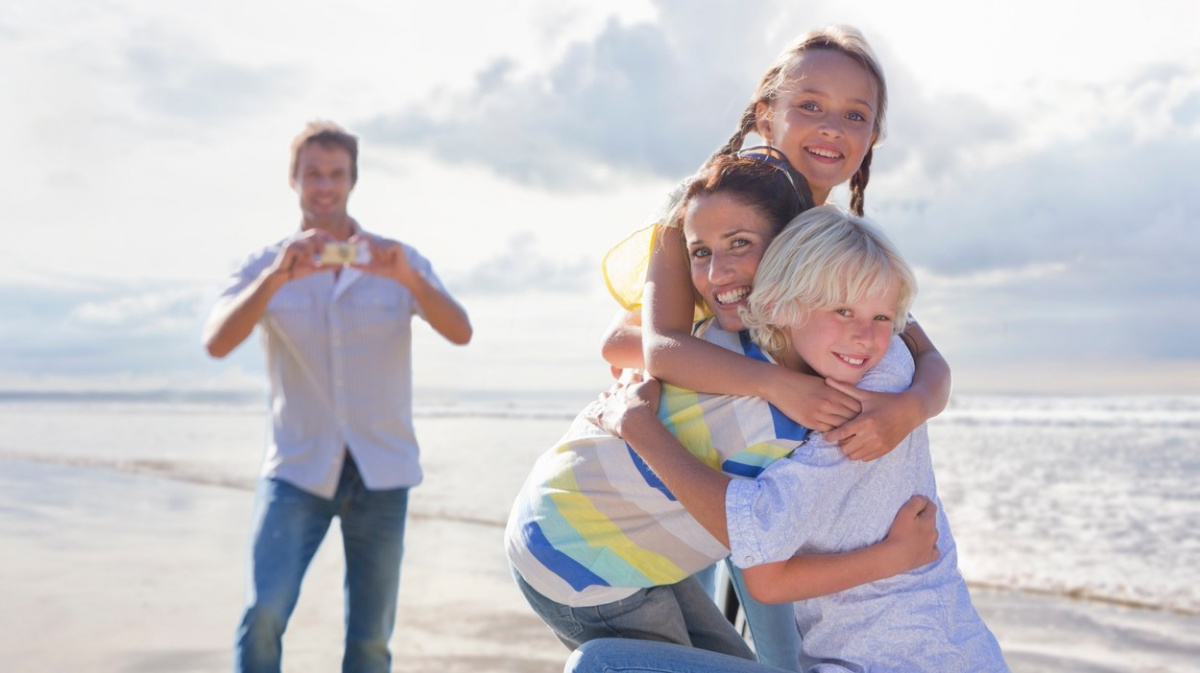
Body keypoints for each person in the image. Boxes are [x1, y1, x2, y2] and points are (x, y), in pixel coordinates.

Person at [597, 25, 952, 668]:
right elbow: (631, 341)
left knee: (780, 644)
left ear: (872, 137)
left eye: (855, 115)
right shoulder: (711, 204)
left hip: (785, 472)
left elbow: (924, 351)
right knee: (771, 644)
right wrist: (776, 382)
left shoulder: (833, 240)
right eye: (809, 105)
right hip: (717, 461)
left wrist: (911, 409)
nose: (830, 127)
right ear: (766, 114)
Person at [505, 155, 939, 663]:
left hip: (594, 531)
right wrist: (893, 557)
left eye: (740, 244)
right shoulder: (750, 369)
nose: (718, 269)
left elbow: (914, 338)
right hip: (573, 556)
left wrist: (916, 401)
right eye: (701, 252)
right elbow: (752, 542)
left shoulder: (767, 329)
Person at [581, 206, 1008, 672]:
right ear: (783, 304)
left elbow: (764, 572)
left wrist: (637, 425)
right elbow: (632, 341)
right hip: (950, 652)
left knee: (600, 664)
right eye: (842, 311)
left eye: (882, 318)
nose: (865, 336)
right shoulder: (857, 373)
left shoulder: (860, 405)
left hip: (897, 661)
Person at [203, 120, 473, 673]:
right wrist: (277, 279)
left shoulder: (397, 260)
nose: (323, 186)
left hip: (383, 469)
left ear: (353, 179)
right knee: (264, 613)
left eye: (335, 174)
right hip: (296, 468)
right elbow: (217, 342)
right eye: (312, 175)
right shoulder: (266, 265)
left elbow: (460, 330)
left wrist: (412, 282)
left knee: (371, 639)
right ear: (294, 179)